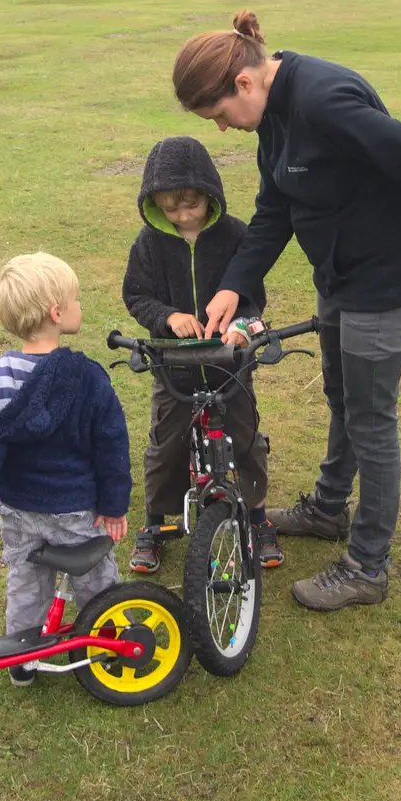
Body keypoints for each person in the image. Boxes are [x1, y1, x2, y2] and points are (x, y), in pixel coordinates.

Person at [171, 9, 401, 612]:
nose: (224, 129)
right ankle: (329, 509)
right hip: (336, 277)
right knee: (341, 398)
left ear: (244, 84)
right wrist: (234, 284)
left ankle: (367, 567)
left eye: (220, 115)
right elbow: (276, 206)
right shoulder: (273, 117)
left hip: (379, 282)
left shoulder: (324, 101)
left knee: (371, 419)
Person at [0, 253, 131, 684]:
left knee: (26, 579)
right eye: (76, 298)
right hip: (75, 510)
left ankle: (20, 659)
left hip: (18, 510)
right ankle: (111, 647)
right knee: (95, 578)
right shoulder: (86, 377)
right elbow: (111, 444)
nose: (80, 304)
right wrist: (114, 507)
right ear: (57, 314)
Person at [121, 136, 276, 574]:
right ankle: (153, 524)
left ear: (210, 193)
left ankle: (259, 518)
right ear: (155, 205)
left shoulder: (235, 235)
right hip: (174, 367)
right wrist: (169, 317)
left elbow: (252, 296)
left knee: (246, 442)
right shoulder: (148, 243)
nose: (184, 215)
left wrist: (242, 327)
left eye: (191, 204)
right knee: (166, 446)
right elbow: (136, 296)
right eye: (171, 208)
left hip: (231, 366)